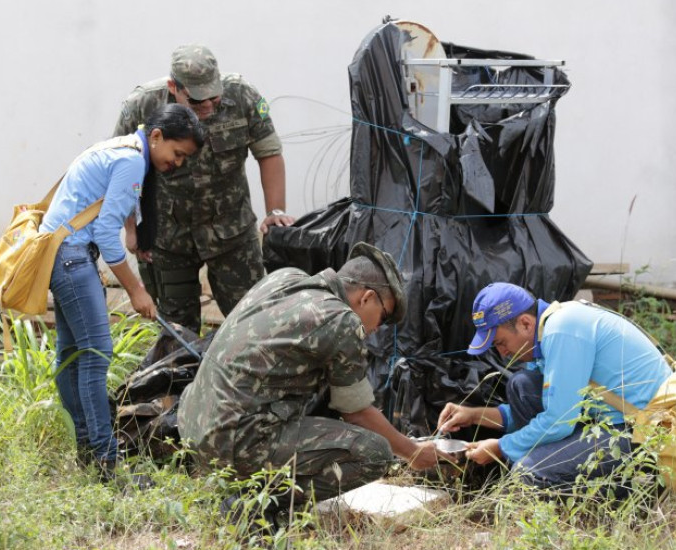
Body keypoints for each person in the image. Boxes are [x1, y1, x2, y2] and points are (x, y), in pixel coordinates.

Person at [177, 242, 449, 517]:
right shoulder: (341, 321)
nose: (379, 327)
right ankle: (254, 506)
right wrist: (412, 451)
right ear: (366, 298)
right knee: (375, 453)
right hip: (229, 442)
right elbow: (357, 414)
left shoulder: (284, 279)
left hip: (191, 426)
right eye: (385, 316)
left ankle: (248, 481)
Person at [41, 104, 205, 483]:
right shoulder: (133, 161)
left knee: (72, 356)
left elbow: (114, 201)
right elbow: (103, 234)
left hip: (59, 253)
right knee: (95, 356)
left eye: (184, 158)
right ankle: (106, 462)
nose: (178, 163)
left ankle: (88, 451)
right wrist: (137, 291)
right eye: (177, 153)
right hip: (72, 257)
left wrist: (132, 229)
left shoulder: (123, 150)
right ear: (157, 137)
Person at [114, 44, 294, 335]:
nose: (209, 106)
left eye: (214, 95)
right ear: (175, 87)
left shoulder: (243, 96)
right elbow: (121, 169)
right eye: (198, 101)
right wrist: (132, 228)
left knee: (254, 325)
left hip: (231, 234)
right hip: (169, 238)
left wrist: (275, 210)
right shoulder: (143, 105)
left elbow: (269, 152)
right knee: (175, 333)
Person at [436, 282, 673, 493]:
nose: (503, 353)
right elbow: (553, 405)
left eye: (500, 343)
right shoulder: (553, 328)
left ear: (525, 323)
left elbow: (558, 420)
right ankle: (549, 470)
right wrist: (473, 415)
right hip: (611, 421)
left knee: (528, 472)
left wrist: (501, 447)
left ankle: (634, 493)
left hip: (642, 435)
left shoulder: (563, 330)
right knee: (522, 385)